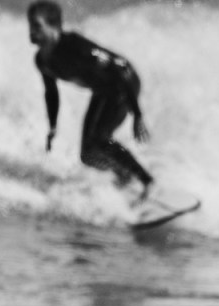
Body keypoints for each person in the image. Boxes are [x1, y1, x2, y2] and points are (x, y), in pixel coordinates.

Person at [27, 1, 154, 194]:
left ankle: (147, 181)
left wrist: (137, 115)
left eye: (37, 26)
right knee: (87, 155)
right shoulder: (42, 61)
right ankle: (125, 176)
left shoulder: (75, 47)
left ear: (53, 26)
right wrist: (53, 127)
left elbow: (119, 68)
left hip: (124, 83)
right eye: (31, 25)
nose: (32, 31)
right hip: (103, 91)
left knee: (100, 139)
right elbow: (51, 93)